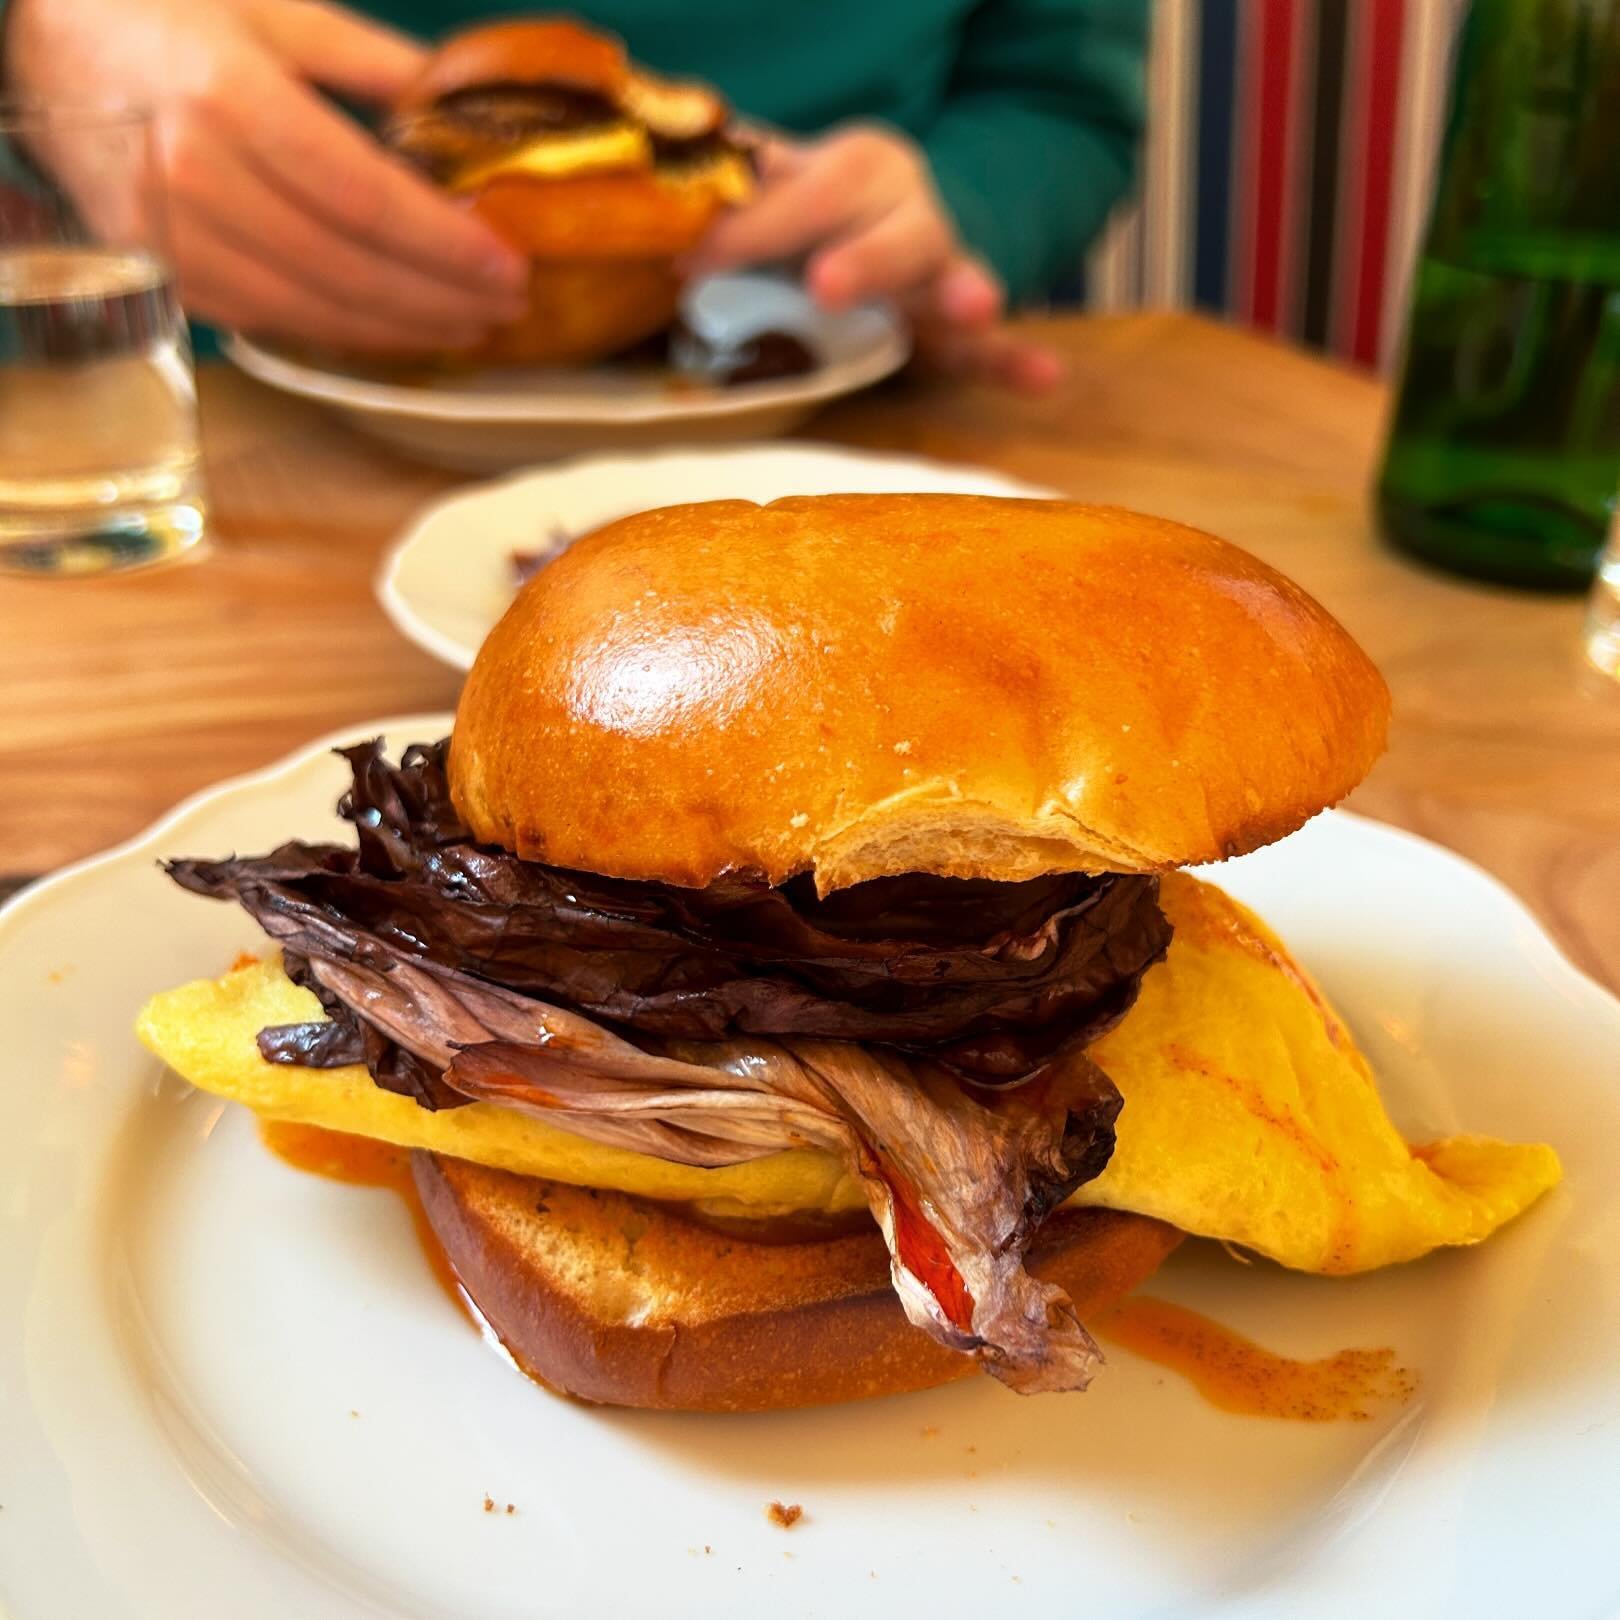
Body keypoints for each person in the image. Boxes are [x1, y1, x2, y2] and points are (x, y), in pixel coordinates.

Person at [2, 0, 1146, 391]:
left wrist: (960, 208)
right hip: (201, 432)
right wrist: (41, 36)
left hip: (828, 417)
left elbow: (1054, 96)